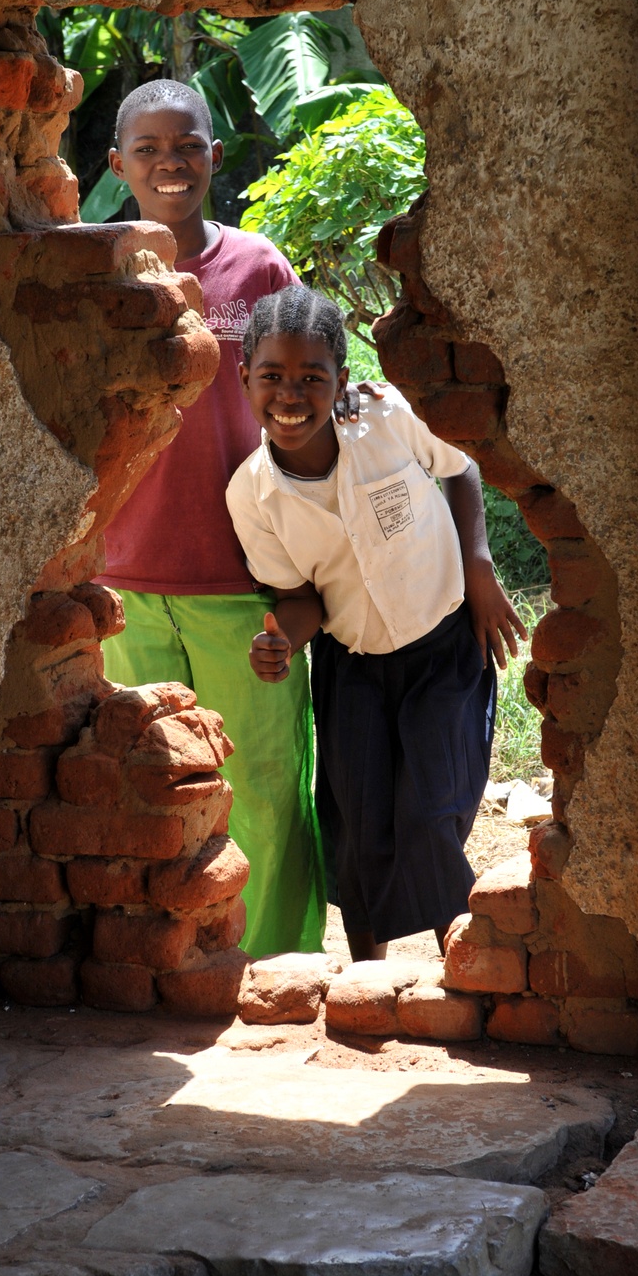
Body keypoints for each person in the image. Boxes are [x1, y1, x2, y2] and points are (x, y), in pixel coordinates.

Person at [95, 78, 329, 958]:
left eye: (187, 146)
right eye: (148, 150)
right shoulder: (102, 269)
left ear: (214, 156)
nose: (169, 164)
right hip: (126, 580)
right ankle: (171, 968)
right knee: (152, 786)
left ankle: (273, 967)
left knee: (262, 785)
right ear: (117, 164)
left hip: (246, 581)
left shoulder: (259, 268)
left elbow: (313, 388)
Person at [225, 287, 527, 962]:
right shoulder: (252, 495)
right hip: (352, 665)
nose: (290, 394)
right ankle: (369, 979)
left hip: (445, 647)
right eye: (272, 376)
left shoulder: (387, 418)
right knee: (358, 827)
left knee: (430, 809)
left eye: (312, 376)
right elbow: (300, 598)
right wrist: (282, 640)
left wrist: (478, 567)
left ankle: (463, 960)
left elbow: (461, 465)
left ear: (341, 376)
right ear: (245, 378)